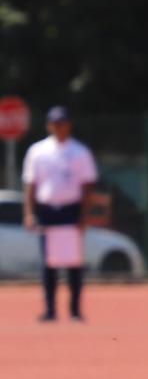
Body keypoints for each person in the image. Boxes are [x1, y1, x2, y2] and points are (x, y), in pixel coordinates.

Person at [21, 105, 97, 323]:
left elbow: (87, 187)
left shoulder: (80, 152)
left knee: (74, 263)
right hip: (47, 210)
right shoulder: (38, 151)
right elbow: (31, 185)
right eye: (55, 123)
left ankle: (74, 310)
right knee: (49, 263)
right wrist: (29, 213)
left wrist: (85, 215)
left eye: (62, 123)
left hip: (70, 209)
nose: (59, 127)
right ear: (48, 126)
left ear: (69, 125)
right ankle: (50, 310)